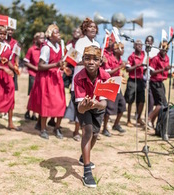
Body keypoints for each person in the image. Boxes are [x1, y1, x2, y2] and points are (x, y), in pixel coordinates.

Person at [74, 45, 110, 188]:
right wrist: (86, 105)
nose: (91, 62)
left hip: (98, 106)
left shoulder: (106, 77)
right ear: (82, 60)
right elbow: (80, 109)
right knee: (87, 132)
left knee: (95, 134)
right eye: (87, 58)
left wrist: (96, 104)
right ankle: (87, 172)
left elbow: (105, 103)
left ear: (100, 61)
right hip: (84, 106)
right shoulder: (78, 78)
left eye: (95, 59)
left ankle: (84, 157)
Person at [27, 24, 66, 139]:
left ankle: (57, 127)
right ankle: (43, 129)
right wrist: (56, 64)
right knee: (46, 104)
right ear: (50, 35)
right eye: (56, 33)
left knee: (61, 103)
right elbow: (40, 66)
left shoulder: (59, 47)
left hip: (57, 77)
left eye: (59, 32)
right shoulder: (46, 48)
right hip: (47, 78)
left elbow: (59, 64)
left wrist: (63, 68)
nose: (59, 35)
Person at [0, 26, 20, 131]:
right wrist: (3, 67)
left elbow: (8, 60)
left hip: (7, 74)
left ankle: (10, 123)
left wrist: (14, 67)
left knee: (10, 96)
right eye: (0, 33)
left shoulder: (8, 45)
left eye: (4, 34)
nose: (2, 35)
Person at [102, 42, 126, 135]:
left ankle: (116, 124)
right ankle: (104, 128)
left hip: (118, 85)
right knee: (109, 108)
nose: (123, 50)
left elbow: (117, 72)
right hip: (110, 84)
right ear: (116, 50)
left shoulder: (119, 59)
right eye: (121, 48)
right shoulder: (109, 58)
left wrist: (121, 74)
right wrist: (120, 67)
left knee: (122, 105)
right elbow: (108, 73)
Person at [147, 41, 170, 128]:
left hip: (161, 82)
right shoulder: (155, 59)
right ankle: (149, 118)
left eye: (166, 49)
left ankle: (152, 122)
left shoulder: (167, 58)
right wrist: (163, 69)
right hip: (155, 82)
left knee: (161, 104)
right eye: (162, 49)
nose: (164, 51)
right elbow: (152, 72)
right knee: (161, 104)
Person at [24, 32, 45, 121]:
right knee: (32, 94)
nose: (42, 40)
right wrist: (35, 68)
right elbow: (26, 61)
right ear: (35, 39)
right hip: (33, 74)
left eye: (43, 38)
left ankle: (34, 114)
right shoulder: (31, 49)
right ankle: (29, 111)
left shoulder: (44, 49)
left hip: (41, 75)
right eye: (40, 38)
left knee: (39, 94)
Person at [124, 40, 146, 127]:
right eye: (137, 44)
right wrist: (136, 66)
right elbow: (127, 69)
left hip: (141, 81)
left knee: (141, 101)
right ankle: (128, 120)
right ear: (134, 46)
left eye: (141, 44)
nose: (139, 46)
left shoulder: (144, 55)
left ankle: (138, 117)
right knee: (130, 101)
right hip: (132, 80)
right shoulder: (131, 57)